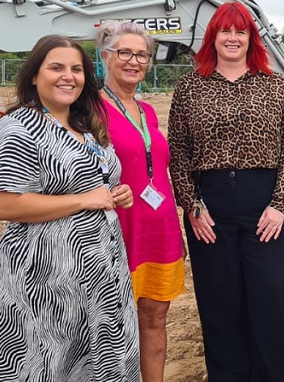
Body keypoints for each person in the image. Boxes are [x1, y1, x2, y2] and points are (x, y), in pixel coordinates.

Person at [0, 35, 140, 381]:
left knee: (104, 361)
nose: (68, 76)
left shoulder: (84, 125)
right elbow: (4, 204)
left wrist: (118, 193)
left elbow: (94, 182)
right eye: (56, 67)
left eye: (76, 69)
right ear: (34, 75)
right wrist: (84, 199)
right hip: (48, 279)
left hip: (102, 273)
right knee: (51, 363)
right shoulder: (18, 128)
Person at [168, 1, 284, 382]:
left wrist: (279, 205)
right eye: (225, 30)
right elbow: (178, 150)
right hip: (210, 209)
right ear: (213, 36)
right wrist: (192, 204)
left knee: (272, 303)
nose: (232, 37)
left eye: (239, 31)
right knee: (220, 305)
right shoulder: (190, 86)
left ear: (250, 38)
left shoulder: (273, 84)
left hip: (266, 206)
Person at [96, 21, 185, 382]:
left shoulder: (146, 111)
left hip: (159, 232)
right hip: (117, 234)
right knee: (110, 330)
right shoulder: (91, 110)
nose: (134, 61)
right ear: (105, 56)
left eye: (142, 55)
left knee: (155, 322)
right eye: (125, 53)